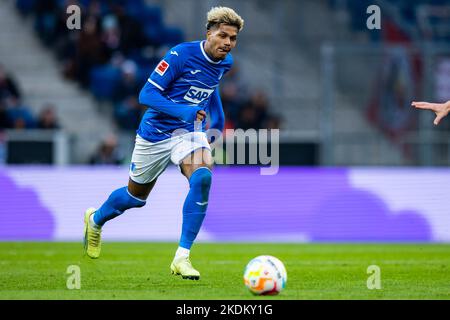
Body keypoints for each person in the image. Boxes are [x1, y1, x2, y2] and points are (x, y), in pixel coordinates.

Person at [83, 7, 244, 280]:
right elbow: (146, 94)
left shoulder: (224, 62)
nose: (228, 42)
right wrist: (184, 111)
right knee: (135, 198)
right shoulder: (181, 55)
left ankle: (182, 257)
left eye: (233, 38)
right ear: (209, 33)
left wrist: (218, 118)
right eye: (223, 35)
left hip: (189, 132)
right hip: (154, 134)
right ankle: (95, 219)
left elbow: (210, 85)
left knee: (203, 178)